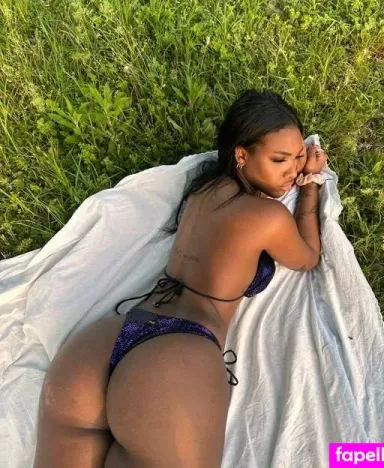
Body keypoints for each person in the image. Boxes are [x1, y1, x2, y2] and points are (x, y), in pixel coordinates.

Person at [33, 89, 329, 468]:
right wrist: (310, 187)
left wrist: (292, 166)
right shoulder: (267, 217)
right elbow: (307, 258)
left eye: (298, 158)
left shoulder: (203, 190)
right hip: (174, 360)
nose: (291, 171)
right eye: (279, 160)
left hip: (100, 346)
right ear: (241, 155)